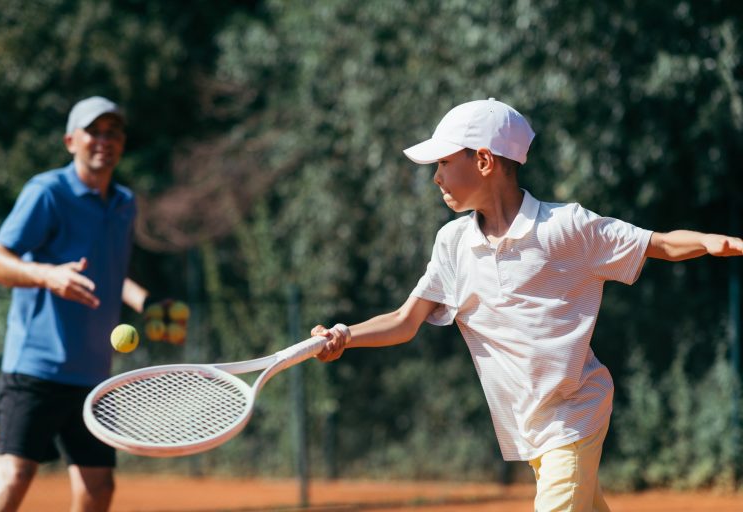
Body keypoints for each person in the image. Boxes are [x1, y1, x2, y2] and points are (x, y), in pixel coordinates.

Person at [312, 98, 743, 512]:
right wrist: (345, 336)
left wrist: (708, 241)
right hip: (531, 427)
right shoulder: (453, 244)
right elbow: (405, 321)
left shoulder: (565, 228)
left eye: (443, 163)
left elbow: (658, 243)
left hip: (574, 415)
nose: (436, 177)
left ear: (484, 161)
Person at [0, 96, 151, 512]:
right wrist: (48, 275)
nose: (103, 140)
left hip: (94, 374)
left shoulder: (124, 203)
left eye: (113, 132)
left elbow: (111, 273)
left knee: (98, 488)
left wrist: (148, 303)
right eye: (94, 131)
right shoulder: (47, 192)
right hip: (36, 367)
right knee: (14, 477)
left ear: (122, 143)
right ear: (71, 140)